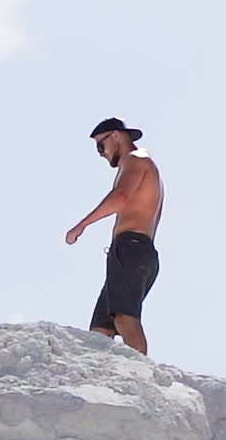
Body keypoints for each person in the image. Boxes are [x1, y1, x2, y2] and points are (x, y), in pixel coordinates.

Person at [65, 117, 163, 355]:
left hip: (131, 248)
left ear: (116, 136)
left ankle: (142, 376)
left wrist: (81, 225)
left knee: (123, 317)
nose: (100, 153)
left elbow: (120, 197)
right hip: (133, 251)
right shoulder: (143, 164)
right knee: (100, 330)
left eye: (101, 145)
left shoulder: (136, 159)